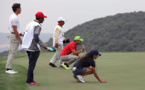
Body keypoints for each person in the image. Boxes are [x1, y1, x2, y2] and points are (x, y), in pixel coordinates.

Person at [22, 12, 55, 85]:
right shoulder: (38, 25)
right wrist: (45, 47)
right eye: (43, 18)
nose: (44, 19)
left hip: (27, 47)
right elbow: (36, 37)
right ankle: (29, 81)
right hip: (33, 48)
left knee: (31, 64)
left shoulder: (30, 23)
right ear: (40, 18)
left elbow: (25, 33)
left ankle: (30, 79)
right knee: (32, 65)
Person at [5, 3, 23, 74]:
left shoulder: (12, 16)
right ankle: (8, 69)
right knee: (13, 52)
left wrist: (19, 33)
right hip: (14, 36)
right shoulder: (15, 17)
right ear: (17, 9)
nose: (21, 9)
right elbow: (15, 29)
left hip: (13, 35)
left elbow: (10, 27)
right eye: (20, 8)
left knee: (11, 52)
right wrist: (20, 38)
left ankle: (8, 68)